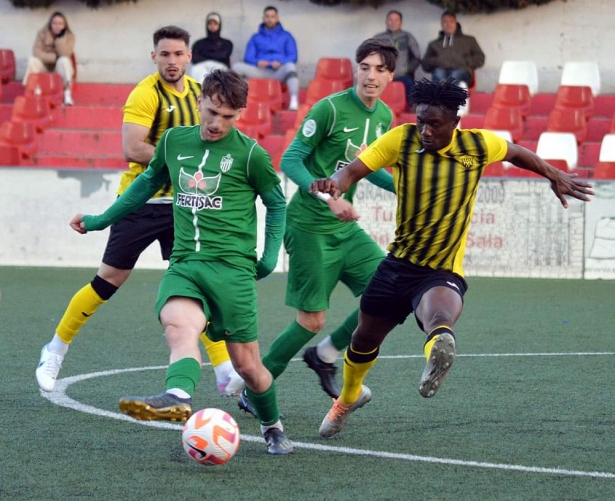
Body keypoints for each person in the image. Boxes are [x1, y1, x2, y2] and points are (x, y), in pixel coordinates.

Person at [309, 78, 594, 438]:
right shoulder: (401, 139)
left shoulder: (478, 145)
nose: (425, 131)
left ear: (455, 122)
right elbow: (351, 171)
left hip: (442, 268)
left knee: (439, 317)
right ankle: (347, 399)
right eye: (421, 122)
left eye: (435, 124)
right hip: (398, 264)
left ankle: (440, 348)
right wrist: (333, 185)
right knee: (363, 339)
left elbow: (517, 152)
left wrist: (553, 174)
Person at [69, 68, 294, 456]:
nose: (217, 123)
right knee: (178, 325)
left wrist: (270, 255)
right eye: (211, 112)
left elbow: (276, 203)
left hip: (233, 271)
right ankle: (177, 395)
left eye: (227, 117)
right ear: (201, 101)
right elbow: (145, 183)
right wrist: (100, 220)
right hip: (186, 263)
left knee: (248, 367)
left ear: (239, 114)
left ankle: (272, 426)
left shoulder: (251, 154)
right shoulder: (173, 140)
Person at [35, 26, 243, 400]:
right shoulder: (144, 94)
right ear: (154, 57)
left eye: (179, 54)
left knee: (196, 285)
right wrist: (183, 160)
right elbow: (131, 148)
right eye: (165, 54)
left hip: (184, 205)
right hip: (141, 202)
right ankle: (55, 349)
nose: (172, 61)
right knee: (106, 283)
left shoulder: (200, 94)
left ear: (189, 56)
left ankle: (225, 369)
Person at [237, 38, 398, 418]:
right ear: (355, 69)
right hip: (309, 224)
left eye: (379, 69)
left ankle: (325, 355)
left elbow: (368, 169)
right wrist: (330, 197)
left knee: (390, 294)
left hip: (344, 230)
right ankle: (254, 389)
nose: (371, 76)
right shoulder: (329, 109)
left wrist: (411, 191)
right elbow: (290, 160)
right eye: (365, 67)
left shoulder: (384, 118)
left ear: (390, 75)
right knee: (312, 320)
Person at [232, 6, 300, 110]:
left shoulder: (286, 36)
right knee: (237, 67)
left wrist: (281, 62)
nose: (270, 19)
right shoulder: (256, 37)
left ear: (277, 18)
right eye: (267, 16)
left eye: (272, 16)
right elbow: (248, 57)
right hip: (260, 71)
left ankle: (294, 101)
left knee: (290, 66)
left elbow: (293, 56)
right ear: (263, 18)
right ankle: (238, 101)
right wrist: (257, 62)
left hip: (278, 72)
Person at [23, 11, 76, 106]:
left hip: (59, 69)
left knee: (64, 60)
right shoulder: (42, 33)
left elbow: (66, 54)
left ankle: (67, 94)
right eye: (55, 23)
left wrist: (60, 39)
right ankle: (32, 91)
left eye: (60, 24)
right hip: (45, 66)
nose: (57, 26)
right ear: (50, 24)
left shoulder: (69, 36)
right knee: (32, 61)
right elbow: (36, 51)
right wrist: (54, 58)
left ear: (64, 26)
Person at [421, 11, 485, 87]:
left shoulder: (469, 40)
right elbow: (425, 63)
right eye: (445, 22)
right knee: (438, 74)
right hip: (441, 70)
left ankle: (448, 95)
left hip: (461, 71)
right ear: (441, 25)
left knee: (454, 76)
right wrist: (437, 60)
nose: (448, 24)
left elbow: (480, 58)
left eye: (451, 21)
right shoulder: (434, 44)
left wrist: (466, 61)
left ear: (455, 23)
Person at [374, 10, 420, 108]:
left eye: (396, 20)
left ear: (401, 22)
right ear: (386, 22)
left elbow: (417, 57)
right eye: (390, 20)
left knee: (409, 84)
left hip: (402, 75)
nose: (393, 22)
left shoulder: (407, 37)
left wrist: (407, 69)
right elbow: (370, 56)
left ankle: (408, 113)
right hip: (382, 75)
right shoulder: (378, 38)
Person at [190, 12, 233, 81]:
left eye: (215, 24)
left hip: (220, 67)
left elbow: (222, 56)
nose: (212, 26)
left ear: (219, 25)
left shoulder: (227, 43)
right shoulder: (199, 43)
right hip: (203, 66)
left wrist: (204, 55)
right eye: (210, 24)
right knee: (195, 69)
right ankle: (204, 91)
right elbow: (194, 59)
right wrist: (213, 55)